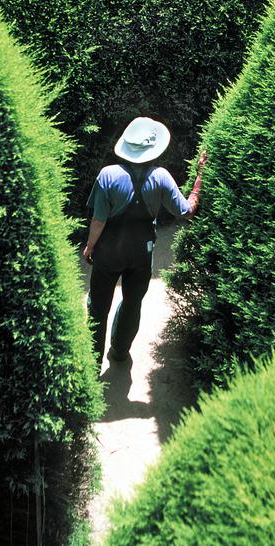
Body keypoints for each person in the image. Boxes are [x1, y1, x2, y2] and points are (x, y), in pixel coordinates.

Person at [84, 116, 207, 366]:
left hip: (108, 253)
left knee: (97, 308)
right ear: (152, 150)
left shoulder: (108, 175)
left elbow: (98, 221)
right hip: (141, 253)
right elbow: (187, 211)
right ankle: (119, 351)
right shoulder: (161, 177)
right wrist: (199, 179)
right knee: (132, 303)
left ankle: (91, 364)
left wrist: (90, 246)